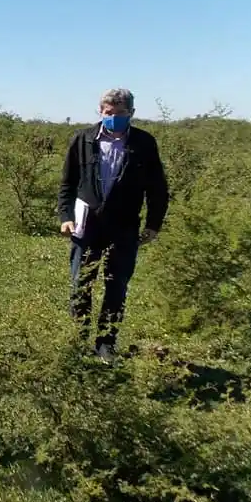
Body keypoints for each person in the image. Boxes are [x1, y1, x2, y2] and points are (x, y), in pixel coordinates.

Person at [58, 88, 169, 363]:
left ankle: (106, 342)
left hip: (124, 225)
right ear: (100, 111)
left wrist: (153, 224)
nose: (114, 117)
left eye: (120, 113)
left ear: (131, 113)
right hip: (87, 225)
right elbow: (67, 183)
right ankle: (78, 339)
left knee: (116, 285)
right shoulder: (83, 139)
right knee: (81, 283)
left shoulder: (143, 142)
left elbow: (157, 188)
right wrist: (65, 217)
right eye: (109, 113)